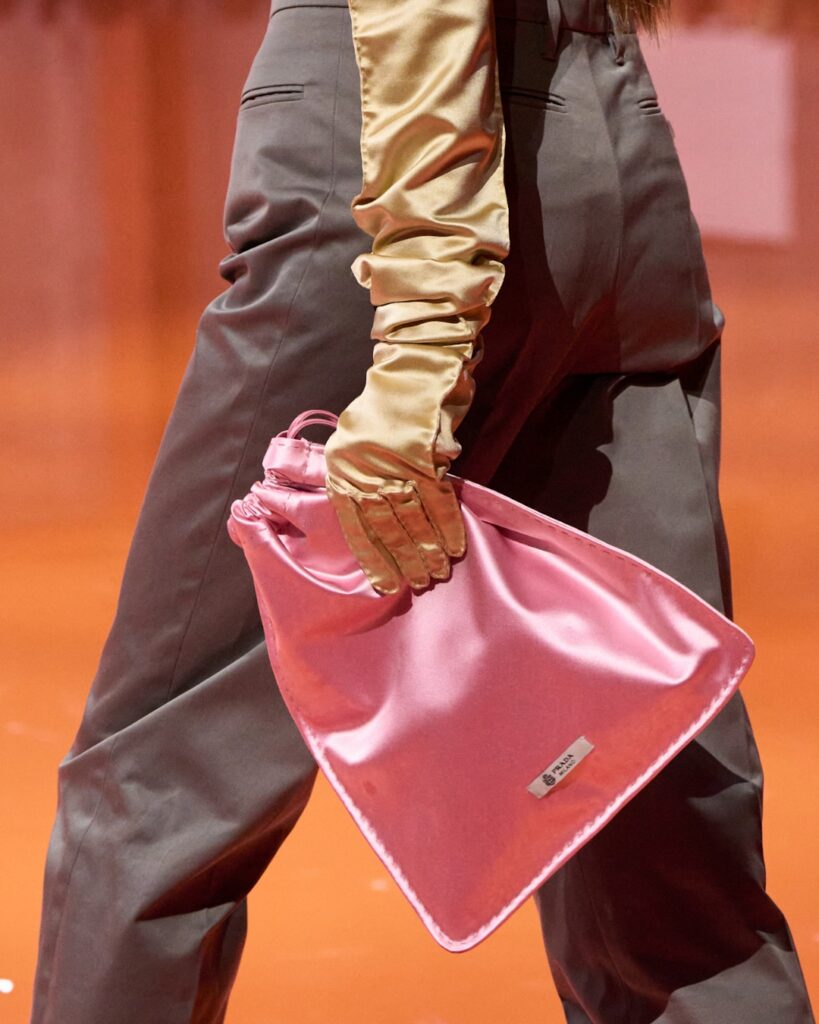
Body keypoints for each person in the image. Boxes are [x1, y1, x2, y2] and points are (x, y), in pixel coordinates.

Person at [30, 0, 816, 1021]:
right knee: (648, 795)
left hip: (394, 145)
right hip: (611, 143)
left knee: (167, 774)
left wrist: (420, 347)